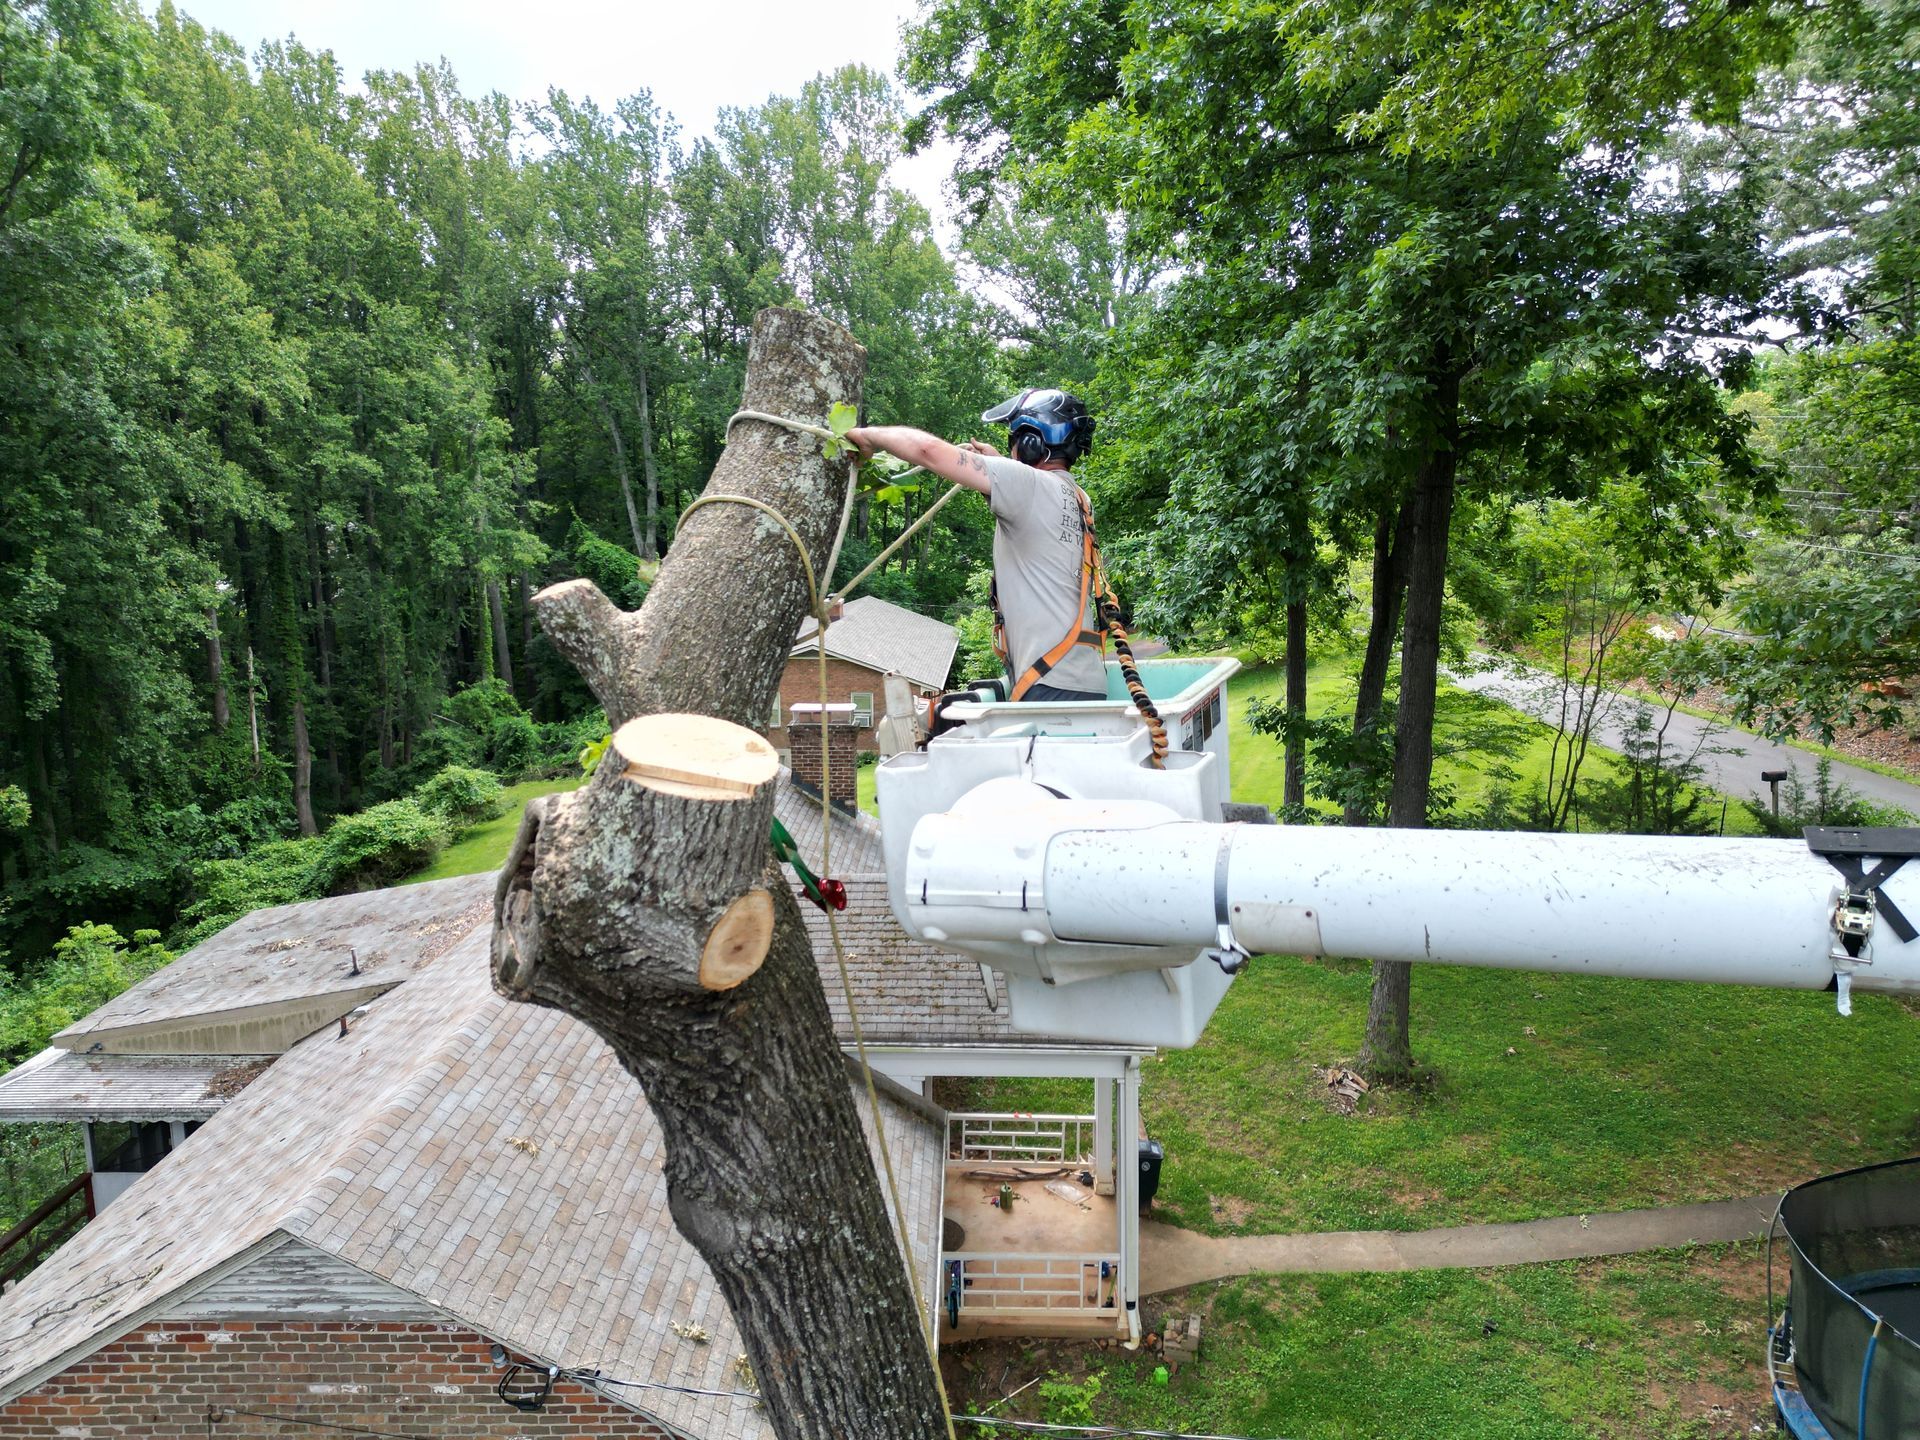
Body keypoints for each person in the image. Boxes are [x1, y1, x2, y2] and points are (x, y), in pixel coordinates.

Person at [846, 388, 1107, 703]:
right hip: (1084, 681)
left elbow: (927, 449)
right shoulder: (1077, 497)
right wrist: (996, 463)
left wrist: (867, 436)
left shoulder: (1028, 486)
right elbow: (1029, 496)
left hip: (1049, 684)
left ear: (1030, 444)